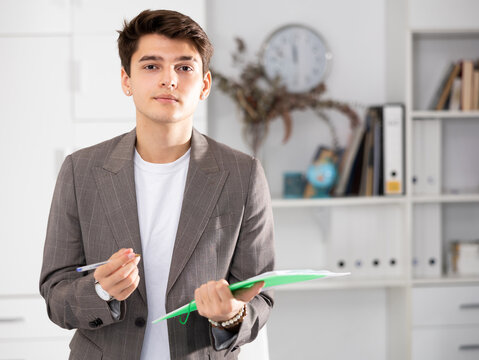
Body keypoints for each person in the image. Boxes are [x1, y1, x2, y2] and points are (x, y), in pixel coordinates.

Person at [39, 9, 274, 360]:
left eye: (184, 67)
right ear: (126, 80)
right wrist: (100, 291)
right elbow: (56, 293)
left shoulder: (243, 174)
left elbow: (260, 295)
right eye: (151, 66)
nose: (169, 80)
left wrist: (232, 315)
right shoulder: (81, 170)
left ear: (205, 84)